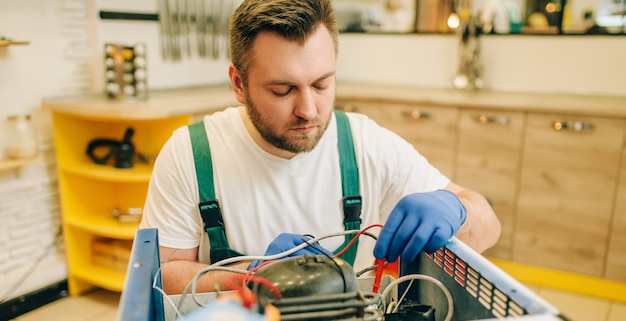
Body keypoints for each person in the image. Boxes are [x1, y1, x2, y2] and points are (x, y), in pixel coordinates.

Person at [139, 0, 501, 295]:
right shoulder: (190, 154)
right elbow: (163, 276)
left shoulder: (366, 145)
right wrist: (250, 276)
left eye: (321, 84)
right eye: (283, 90)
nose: (308, 110)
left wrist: (457, 209)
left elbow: (488, 226)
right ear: (239, 84)